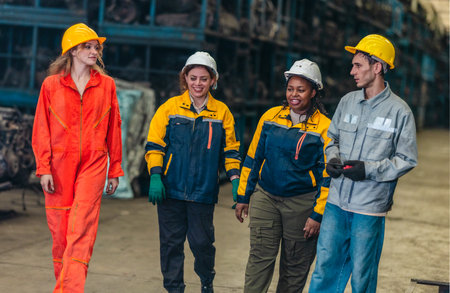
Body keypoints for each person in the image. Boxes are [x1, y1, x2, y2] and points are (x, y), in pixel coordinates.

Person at [308, 34, 418, 293]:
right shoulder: (347, 102)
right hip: (336, 202)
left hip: (369, 206)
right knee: (325, 268)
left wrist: (369, 170)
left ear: (377, 67)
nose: (352, 71)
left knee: (362, 274)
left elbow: (407, 159)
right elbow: (331, 138)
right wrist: (332, 158)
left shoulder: (399, 112)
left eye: (358, 65)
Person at [31, 23, 124, 292]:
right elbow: (41, 128)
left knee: (81, 228)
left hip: (94, 163)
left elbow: (113, 128)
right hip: (59, 165)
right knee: (61, 234)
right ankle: (66, 284)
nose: (94, 51)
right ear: (72, 50)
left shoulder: (106, 85)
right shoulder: (51, 85)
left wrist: (115, 169)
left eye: (97, 47)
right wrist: (43, 167)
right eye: (88, 46)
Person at [144, 51, 241, 293]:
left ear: (213, 81)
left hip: (203, 193)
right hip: (170, 190)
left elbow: (230, 152)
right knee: (170, 245)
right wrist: (156, 175)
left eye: (204, 79)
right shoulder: (170, 108)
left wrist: (237, 181)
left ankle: (207, 280)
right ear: (185, 78)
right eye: (193, 78)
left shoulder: (222, 113)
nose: (198, 83)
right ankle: (174, 289)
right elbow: (155, 144)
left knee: (202, 244)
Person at [235, 59, 332, 293]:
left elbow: (328, 176)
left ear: (314, 92)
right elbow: (253, 158)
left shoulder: (325, 127)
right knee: (259, 259)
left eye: (301, 89)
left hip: (301, 205)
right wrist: (243, 195)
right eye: (290, 88)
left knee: (295, 267)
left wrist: (317, 215)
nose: (293, 95)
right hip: (266, 197)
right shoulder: (270, 117)